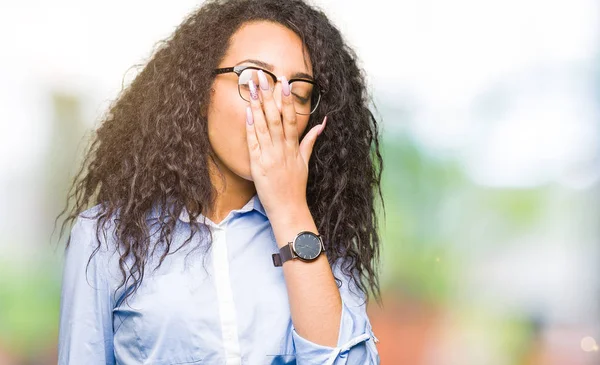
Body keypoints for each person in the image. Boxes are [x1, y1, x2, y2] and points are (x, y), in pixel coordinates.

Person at [56, 0, 384, 363]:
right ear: (199, 92)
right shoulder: (107, 239)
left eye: (300, 92)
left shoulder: (322, 237)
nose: (276, 108)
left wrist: (290, 210)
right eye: (253, 81)